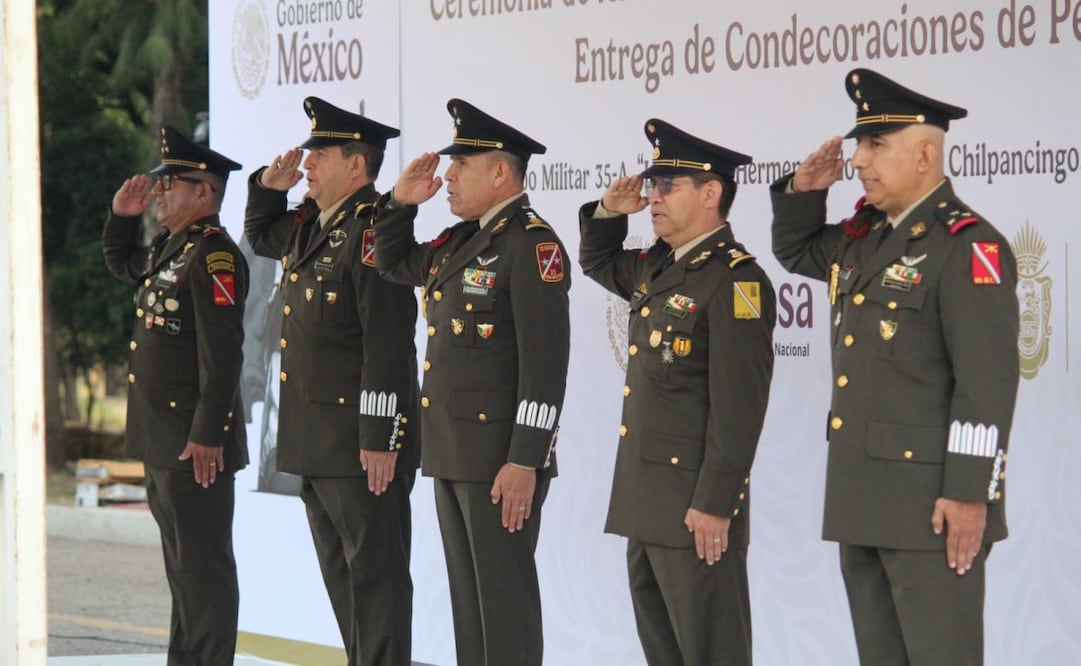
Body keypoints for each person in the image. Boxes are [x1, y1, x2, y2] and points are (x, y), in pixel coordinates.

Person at [770, 68, 1020, 666]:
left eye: (876, 145)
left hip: (932, 509)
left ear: (925, 155)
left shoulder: (968, 246)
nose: (858, 160)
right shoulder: (862, 239)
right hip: (863, 499)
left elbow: (985, 385)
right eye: (860, 145)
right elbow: (797, 251)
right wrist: (804, 192)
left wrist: (969, 495)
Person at [372, 98, 570, 666]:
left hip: (500, 461)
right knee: (470, 610)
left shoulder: (532, 245)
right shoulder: (461, 240)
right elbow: (391, 262)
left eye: (462, 164)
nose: (449, 175)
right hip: (453, 452)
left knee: (504, 611)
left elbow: (546, 366)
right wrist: (399, 205)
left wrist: (526, 459)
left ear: (500, 172)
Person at [578, 119, 775, 666]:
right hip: (646, 504)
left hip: (695, 512)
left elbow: (739, 410)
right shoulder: (659, 266)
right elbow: (597, 260)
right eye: (653, 183)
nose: (654, 197)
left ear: (710, 194)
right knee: (663, 652)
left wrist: (715, 503)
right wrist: (609, 212)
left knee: (712, 652)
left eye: (668, 185)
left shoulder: (736, 281)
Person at [243, 96, 420, 666]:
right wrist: (267, 188)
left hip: (359, 446)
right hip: (315, 440)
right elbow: (260, 235)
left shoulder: (373, 232)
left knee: (377, 582)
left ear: (357, 165)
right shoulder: (310, 223)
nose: (309, 161)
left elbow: (388, 344)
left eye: (322, 152)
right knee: (343, 582)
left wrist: (379, 438)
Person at [103, 125, 248, 665]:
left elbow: (223, 357)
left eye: (172, 184)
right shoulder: (174, 248)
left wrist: (208, 435)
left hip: (194, 447)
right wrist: (122, 217)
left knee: (204, 573)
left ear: (204, 192)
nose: (160, 193)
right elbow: (124, 264)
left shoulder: (213, 257)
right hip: (164, 440)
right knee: (184, 573)